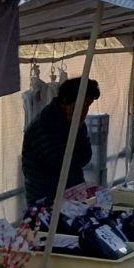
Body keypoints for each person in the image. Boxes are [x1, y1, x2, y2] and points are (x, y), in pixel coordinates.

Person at [22, 76, 102, 208]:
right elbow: (59, 163)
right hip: (46, 199)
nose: (84, 110)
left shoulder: (76, 123)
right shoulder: (44, 125)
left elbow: (85, 157)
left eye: (87, 105)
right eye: (81, 104)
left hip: (72, 195)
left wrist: (78, 128)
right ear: (65, 101)